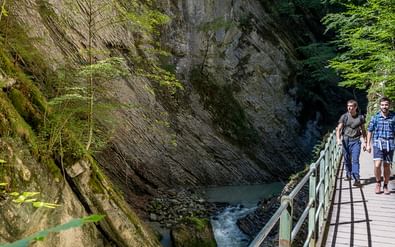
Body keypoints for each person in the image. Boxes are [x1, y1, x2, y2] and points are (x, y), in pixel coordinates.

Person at [366, 96, 395, 194]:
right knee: (377, 165)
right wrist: (368, 144)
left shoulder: (393, 117)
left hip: (389, 144)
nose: (384, 106)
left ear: (389, 105)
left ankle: (385, 185)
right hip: (378, 143)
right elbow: (369, 130)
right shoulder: (375, 117)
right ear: (380, 106)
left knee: (387, 166)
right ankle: (378, 182)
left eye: (386, 105)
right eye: (382, 105)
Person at [336, 99, 367, 186]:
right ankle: (348, 173)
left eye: (351, 106)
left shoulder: (360, 118)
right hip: (345, 140)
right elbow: (339, 129)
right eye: (348, 106)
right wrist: (338, 139)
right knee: (346, 159)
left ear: (355, 107)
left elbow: (363, 130)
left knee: (355, 160)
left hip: (356, 141)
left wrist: (365, 142)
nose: (349, 108)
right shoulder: (344, 117)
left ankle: (356, 178)